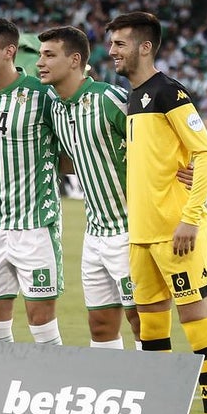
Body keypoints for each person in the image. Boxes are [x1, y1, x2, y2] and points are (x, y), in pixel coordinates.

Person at [108, 11, 207, 414]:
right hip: (141, 236)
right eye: (111, 42)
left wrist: (190, 218)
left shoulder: (168, 92)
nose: (113, 50)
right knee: (153, 334)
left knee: (197, 328)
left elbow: (206, 154)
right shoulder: (134, 97)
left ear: (144, 46)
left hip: (178, 235)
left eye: (120, 43)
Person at [36, 25, 141, 349]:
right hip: (94, 232)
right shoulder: (53, 106)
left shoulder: (110, 99)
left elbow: (153, 148)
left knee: (140, 319)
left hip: (131, 230)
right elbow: (75, 155)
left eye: (49, 55)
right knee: (100, 323)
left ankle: (153, 394)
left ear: (74, 60)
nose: (40, 62)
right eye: (40, 54)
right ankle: (117, 390)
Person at [0, 18, 64, 345]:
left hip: (35, 225)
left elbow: (69, 148)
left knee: (41, 322)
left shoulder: (42, 94)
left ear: (9, 51)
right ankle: (0, 388)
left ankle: (52, 389)